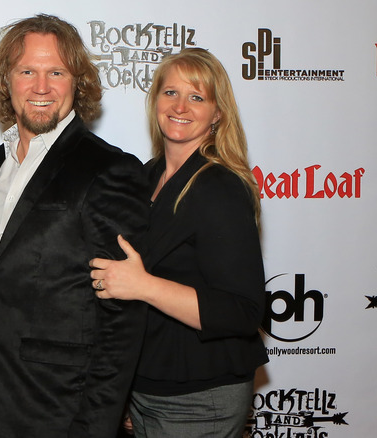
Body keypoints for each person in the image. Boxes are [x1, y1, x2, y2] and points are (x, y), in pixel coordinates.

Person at [0, 14, 150, 438]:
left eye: (56, 72)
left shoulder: (109, 169)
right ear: (6, 81)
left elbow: (123, 317)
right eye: (27, 71)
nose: (41, 86)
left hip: (60, 412)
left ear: (77, 82)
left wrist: (94, 426)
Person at [89, 48, 269, 437]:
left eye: (197, 97)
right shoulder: (147, 176)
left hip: (201, 397)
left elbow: (243, 311)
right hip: (148, 387)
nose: (180, 106)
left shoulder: (219, 187)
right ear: (154, 99)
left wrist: (142, 285)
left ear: (218, 113)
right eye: (170, 92)